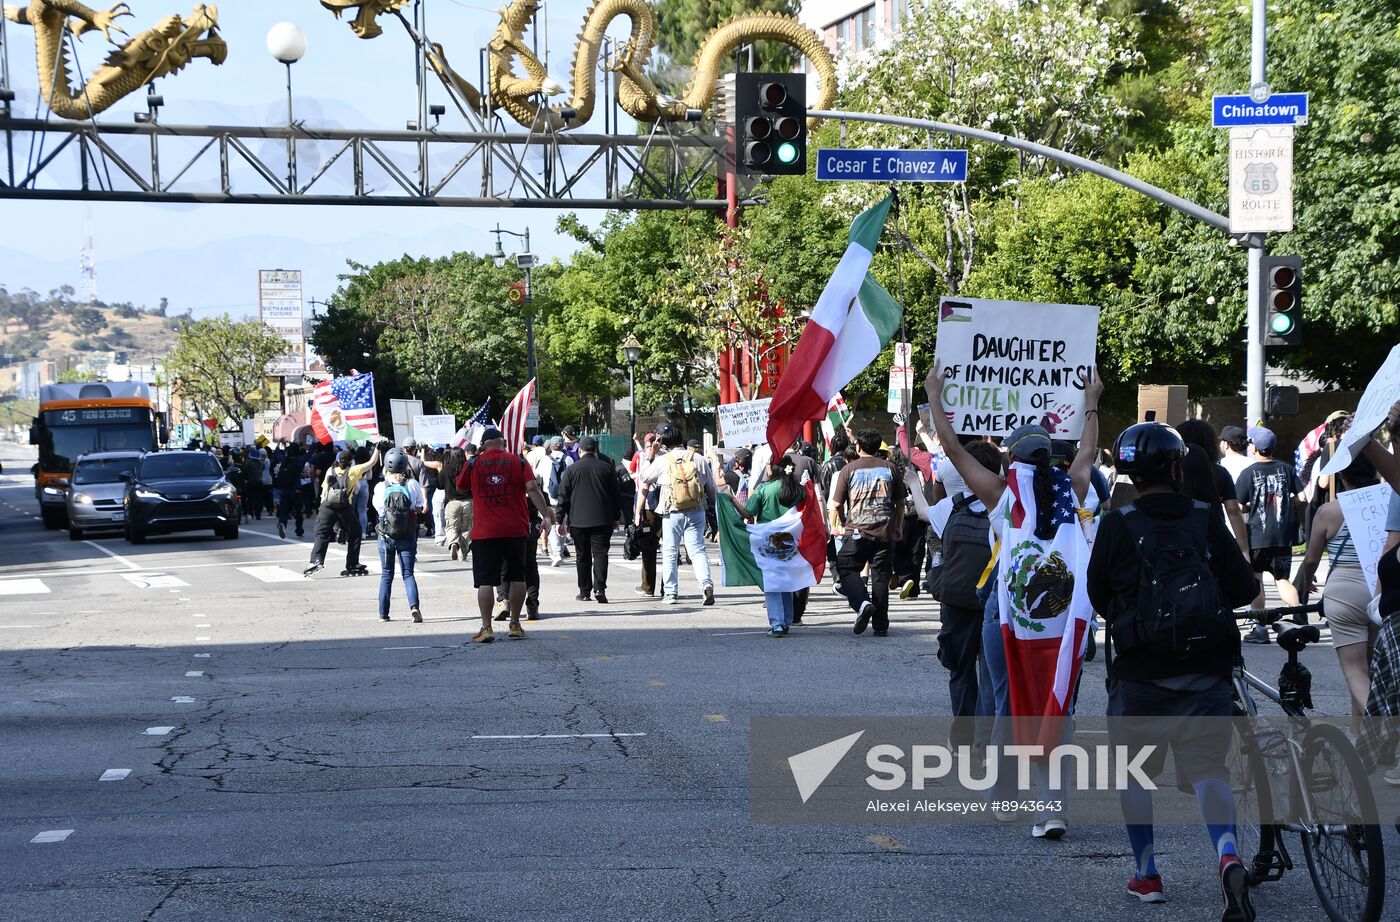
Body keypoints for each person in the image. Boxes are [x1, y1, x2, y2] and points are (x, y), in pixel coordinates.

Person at [1086, 423, 1258, 917]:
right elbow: (1244, 588)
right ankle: (1227, 855)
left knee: (1135, 774)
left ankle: (1147, 873)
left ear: (1126, 472)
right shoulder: (1205, 517)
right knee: (1209, 769)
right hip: (1207, 670)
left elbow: (1098, 596)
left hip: (1140, 674)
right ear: (1177, 467)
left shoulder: (1117, 524)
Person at [905, 443, 1002, 745]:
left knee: (960, 670)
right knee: (990, 673)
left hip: (957, 598)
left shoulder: (952, 507)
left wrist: (912, 483)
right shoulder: (1006, 504)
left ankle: (962, 737)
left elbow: (922, 512)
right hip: (994, 598)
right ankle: (986, 739)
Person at [1295, 452, 1380, 721]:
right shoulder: (1388, 504)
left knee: (1355, 670)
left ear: (1342, 475)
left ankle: (1386, 725)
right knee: (1370, 670)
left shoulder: (1329, 511)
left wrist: (1307, 583)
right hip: (1380, 589)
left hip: (1344, 591)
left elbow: (1310, 559)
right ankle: (1362, 741)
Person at [456, 427, 556, 642]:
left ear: (483, 445)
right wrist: (545, 514)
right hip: (515, 529)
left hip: (484, 531)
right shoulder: (518, 461)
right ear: (503, 443)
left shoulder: (473, 463)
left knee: (485, 582)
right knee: (517, 577)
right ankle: (515, 624)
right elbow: (531, 487)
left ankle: (486, 627)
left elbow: (460, 486)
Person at [828, 428, 905, 636]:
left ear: (858, 447)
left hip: (857, 531)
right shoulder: (891, 468)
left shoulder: (849, 469)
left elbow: (835, 504)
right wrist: (898, 527)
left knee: (845, 567)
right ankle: (880, 625)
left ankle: (862, 603)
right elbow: (900, 503)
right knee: (881, 576)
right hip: (885, 531)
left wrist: (844, 522)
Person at [719, 455, 806, 636]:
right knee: (786, 581)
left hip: (768, 541)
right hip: (791, 541)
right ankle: (787, 620)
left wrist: (732, 499)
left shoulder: (764, 489)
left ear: (773, 468)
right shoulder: (799, 490)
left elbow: (748, 512)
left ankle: (777, 623)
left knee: (772, 582)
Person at [1236, 425, 1304, 641]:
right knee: (1283, 580)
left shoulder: (1248, 473)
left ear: (1255, 447)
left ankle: (1260, 628)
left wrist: (1249, 507)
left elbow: (1236, 506)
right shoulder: (1287, 469)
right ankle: (1298, 617)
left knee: (1257, 582)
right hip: (1282, 537)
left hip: (1256, 536)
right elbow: (1303, 497)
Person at [640, 423, 717, 606]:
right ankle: (706, 584)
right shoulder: (698, 458)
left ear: (664, 442)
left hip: (671, 510)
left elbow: (644, 477)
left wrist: (651, 455)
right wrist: (710, 506)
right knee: (697, 550)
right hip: (696, 510)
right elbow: (711, 488)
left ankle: (671, 593)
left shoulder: (663, 460)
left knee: (670, 551)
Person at [557, 436, 623, 604]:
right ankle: (600, 588)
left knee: (582, 556)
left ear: (580, 451)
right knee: (600, 554)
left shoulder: (571, 470)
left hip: (578, 520)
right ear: (595, 451)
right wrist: (616, 517)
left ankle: (584, 591)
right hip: (602, 519)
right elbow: (616, 495)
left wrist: (559, 519)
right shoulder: (607, 468)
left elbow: (563, 496)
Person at [1176, 419, 1251, 560]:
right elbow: (1233, 510)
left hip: (1178, 533)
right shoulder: (1219, 472)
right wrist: (1244, 551)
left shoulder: (1172, 472)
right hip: (1212, 533)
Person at [304, 446, 380, 577]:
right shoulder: (354, 471)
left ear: (338, 460)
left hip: (327, 506)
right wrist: (377, 449)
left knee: (321, 534)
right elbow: (371, 463)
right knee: (355, 533)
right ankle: (352, 563)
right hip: (345, 506)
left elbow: (324, 491)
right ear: (351, 461)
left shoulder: (330, 470)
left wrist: (321, 508)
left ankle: (316, 561)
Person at [373, 447, 427, 622]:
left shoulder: (381, 486)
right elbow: (419, 506)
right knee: (408, 573)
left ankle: (383, 613)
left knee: (386, 574)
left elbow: (379, 509)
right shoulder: (412, 484)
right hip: (407, 533)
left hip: (386, 535)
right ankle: (414, 607)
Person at [632, 435, 664, 598]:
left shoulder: (648, 457)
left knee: (649, 548)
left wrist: (637, 512)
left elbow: (644, 486)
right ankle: (669, 588)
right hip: (670, 508)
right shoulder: (673, 457)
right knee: (670, 550)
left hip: (650, 509)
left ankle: (648, 587)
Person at [439, 446, 472, 560]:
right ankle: (463, 553)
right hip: (468, 501)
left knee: (452, 526)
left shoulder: (446, 468)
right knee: (466, 528)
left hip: (452, 502)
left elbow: (439, 485)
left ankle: (453, 543)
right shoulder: (468, 468)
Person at [274, 443, 307, 539]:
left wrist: (279, 443)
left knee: (284, 510)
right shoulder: (300, 460)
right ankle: (299, 531)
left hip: (285, 489)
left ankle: (282, 524)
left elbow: (277, 453)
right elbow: (310, 453)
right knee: (298, 512)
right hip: (296, 489)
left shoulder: (285, 459)